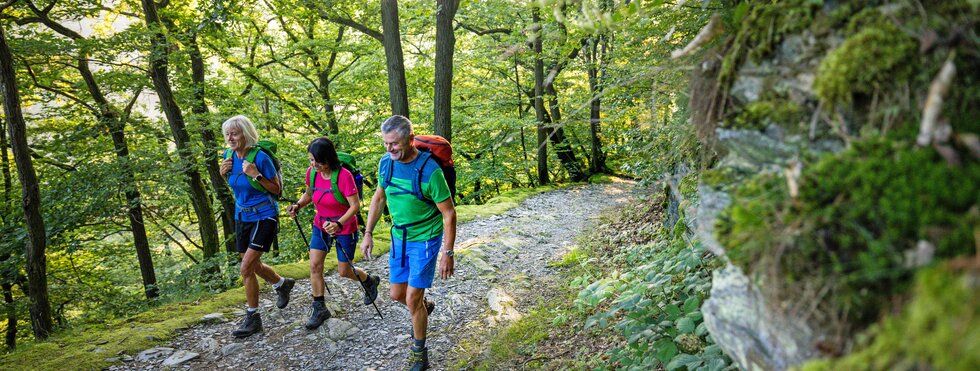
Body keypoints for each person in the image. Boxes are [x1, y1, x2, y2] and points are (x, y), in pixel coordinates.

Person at [361, 115, 456, 370]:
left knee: (412, 298)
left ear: (411, 140)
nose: (389, 149)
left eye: (393, 144)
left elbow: (449, 213)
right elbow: (378, 199)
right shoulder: (386, 164)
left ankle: (419, 353)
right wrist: (368, 232)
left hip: (425, 238)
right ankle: (423, 307)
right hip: (399, 237)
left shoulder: (430, 171)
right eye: (385, 144)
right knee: (396, 294)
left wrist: (448, 252)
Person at [286, 137, 381, 330]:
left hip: (344, 226)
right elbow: (309, 195)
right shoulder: (312, 173)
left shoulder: (344, 176)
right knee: (314, 266)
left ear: (329, 159)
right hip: (320, 225)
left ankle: (369, 281)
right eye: (311, 160)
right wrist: (297, 205)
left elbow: (355, 206)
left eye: (317, 161)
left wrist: (338, 224)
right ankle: (319, 307)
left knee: (344, 271)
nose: (314, 165)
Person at [219, 115, 295, 338]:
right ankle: (281, 283)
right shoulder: (228, 156)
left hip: (265, 215)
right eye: (227, 134)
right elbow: (238, 187)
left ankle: (253, 318)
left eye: (234, 133)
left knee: (245, 268)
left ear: (246, 133)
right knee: (253, 264)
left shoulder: (260, 157)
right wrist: (224, 175)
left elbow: (277, 190)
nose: (230, 138)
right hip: (242, 216)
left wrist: (257, 174)